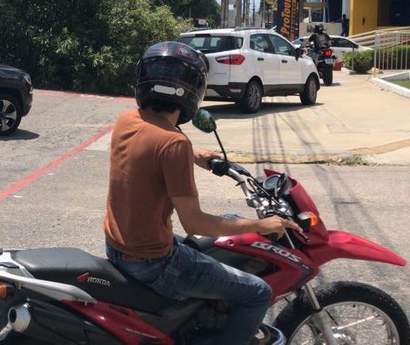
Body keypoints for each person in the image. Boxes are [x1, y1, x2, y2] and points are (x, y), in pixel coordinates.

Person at [104, 41, 301, 345]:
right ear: (192, 90)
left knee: (209, 248)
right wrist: (261, 225)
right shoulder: (173, 146)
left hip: (118, 247)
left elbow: (148, 150)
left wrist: (192, 155)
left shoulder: (127, 120)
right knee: (256, 292)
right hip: (152, 262)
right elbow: (195, 223)